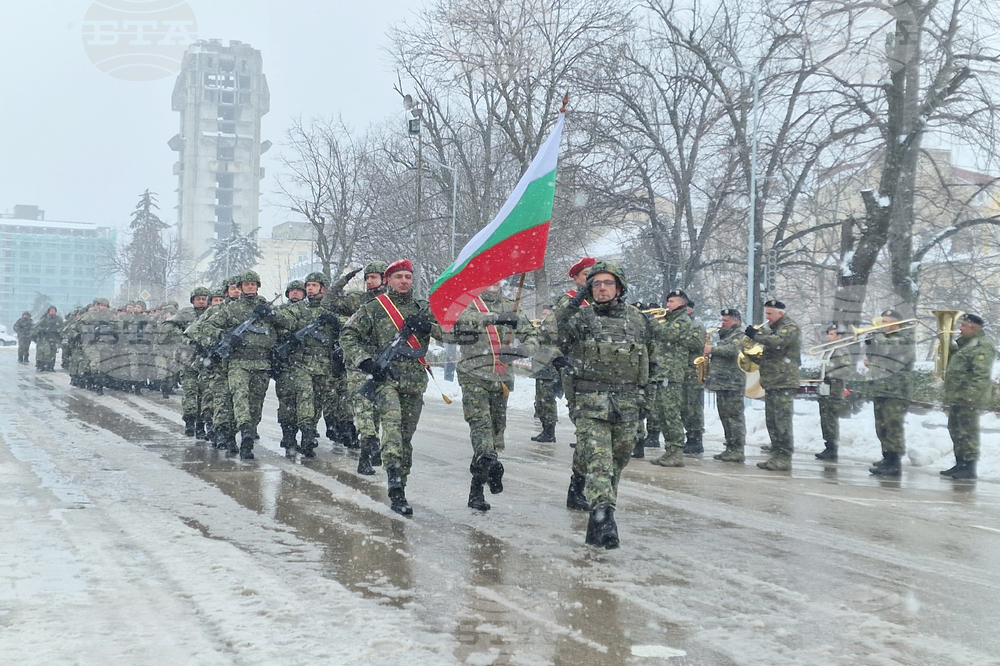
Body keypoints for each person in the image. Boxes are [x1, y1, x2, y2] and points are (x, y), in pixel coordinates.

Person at [559, 260, 654, 548]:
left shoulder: (639, 320)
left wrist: (645, 406)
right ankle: (605, 516)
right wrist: (577, 299)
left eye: (607, 283)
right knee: (599, 464)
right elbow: (556, 330)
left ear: (619, 287)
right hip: (591, 403)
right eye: (596, 283)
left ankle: (596, 523)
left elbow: (653, 362)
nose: (602, 288)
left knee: (617, 462)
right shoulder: (581, 319)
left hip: (627, 404)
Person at [340, 259, 442, 515]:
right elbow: (348, 335)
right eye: (399, 277)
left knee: (405, 437)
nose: (404, 281)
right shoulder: (375, 308)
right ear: (388, 281)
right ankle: (395, 483)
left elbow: (449, 333)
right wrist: (365, 361)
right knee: (393, 431)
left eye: (408, 276)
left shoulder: (423, 309)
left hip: (415, 381)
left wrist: (428, 326)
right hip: (386, 379)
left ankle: (401, 481)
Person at [453, 281, 538, 511]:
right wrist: (494, 318)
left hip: (501, 379)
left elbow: (532, 335)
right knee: (481, 427)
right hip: (473, 376)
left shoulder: (513, 306)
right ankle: (488, 470)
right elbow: (458, 321)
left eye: (498, 279)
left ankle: (477, 485)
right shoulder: (468, 303)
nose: (493, 284)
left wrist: (521, 351)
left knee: (495, 433)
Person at [200, 270, 278, 459]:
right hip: (238, 362)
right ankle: (244, 431)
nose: (250, 287)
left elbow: (287, 324)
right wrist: (224, 336)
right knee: (239, 396)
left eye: (253, 284)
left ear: (257, 286)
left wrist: (272, 314)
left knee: (256, 402)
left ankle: (248, 435)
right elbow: (205, 326)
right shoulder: (231, 309)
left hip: (262, 362)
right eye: (246, 284)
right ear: (241, 287)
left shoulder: (265, 307)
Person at [274, 274, 341, 458]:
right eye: (308, 285)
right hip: (299, 363)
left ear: (323, 288)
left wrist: (336, 323)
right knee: (302, 397)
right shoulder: (299, 308)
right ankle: (303, 432)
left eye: (314, 285)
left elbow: (350, 326)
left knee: (317, 401)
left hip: (323, 364)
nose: (310, 288)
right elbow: (283, 318)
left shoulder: (329, 309)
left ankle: (306, 440)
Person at [323, 261, 387, 449]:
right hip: (360, 360)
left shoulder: (392, 303)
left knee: (378, 409)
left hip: (384, 360)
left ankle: (373, 441)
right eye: (367, 277)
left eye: (373, 277)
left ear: (385, 279)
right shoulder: (359, 300)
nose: (369, 281)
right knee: (361, 403)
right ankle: (367, 442)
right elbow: (328, 302)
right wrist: (344, 280)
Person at [550, 257, 595, 510]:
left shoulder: (604, 301)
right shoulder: (569, 301)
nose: (592, 280)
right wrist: (558, 358)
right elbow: (553, 330)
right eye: (586, 275)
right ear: (577, 279)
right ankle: (578, 488)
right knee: (588, 434)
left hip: (605, 375)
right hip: (577, 373)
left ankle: (595, 488)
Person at [745, 299, 801, 471]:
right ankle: (776, 455)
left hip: (784, 381)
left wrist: (756, 336)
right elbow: (768, 354)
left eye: (770, 314)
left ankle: (784, 457)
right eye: (766, 313)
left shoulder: (790, 327)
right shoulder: (773, 330)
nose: (767, 317)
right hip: (773, 381)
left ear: (780, 314)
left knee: (782, 421)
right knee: (772, 420)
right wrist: (751, 354)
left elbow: (777, 342)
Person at [940, 313, 995, 480]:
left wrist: (969, 396)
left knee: (967, 432)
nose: (959, 328)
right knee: (956, 430)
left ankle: (968, 467)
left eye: (963, 325)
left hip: (969, 398)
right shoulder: (965, 345)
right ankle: (960, 463)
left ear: (973, 328)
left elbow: (980, 375)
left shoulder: (982, 346)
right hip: (958, 396)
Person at [648, 290, 699, 467]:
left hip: (672, 373)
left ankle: (676, 451)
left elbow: (669, 335)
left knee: (671, 413)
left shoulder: (682, 320)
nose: (667, 305)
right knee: (661, 413)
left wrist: (656, 322)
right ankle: (669, 450)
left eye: (670, 301)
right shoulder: (671, 318)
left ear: (680, 303)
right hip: (662, 371)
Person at [866, 309, 915, 477]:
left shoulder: (905, 338)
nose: (882, 325)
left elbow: (887, 349)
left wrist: (875, 335)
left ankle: (895, 463)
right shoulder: (884, 338)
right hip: (881, 387)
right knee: (882, 425)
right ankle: (887, 457)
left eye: (885, 322)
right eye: (882, 322)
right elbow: (875, 357)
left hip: (896, 389)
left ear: (896, 323)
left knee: (892, 425)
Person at [168, 288, 212, 435]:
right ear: (193, 300)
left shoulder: (213, 314)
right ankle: (189, 421)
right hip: (188, 360)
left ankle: (202, 423)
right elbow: (168, 327)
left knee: (206, 393)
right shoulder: (185, 314)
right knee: (190, 392)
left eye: (204, 298)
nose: (201, 301)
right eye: (198, 298)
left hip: (207, 360)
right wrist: (185, 340)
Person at [705, 308, 747, 462]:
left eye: (726, 320)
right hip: (723, 382)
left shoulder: (741, 333)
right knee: (725, 416)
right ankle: (730, 447)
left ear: (735, 320)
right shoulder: (727, 334)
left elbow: (734, 349)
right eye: (722, 320)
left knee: (734, 416)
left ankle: (737, 449)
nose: (723, 323)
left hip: (733, 382)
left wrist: (713, 349)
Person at [815, 324, 853, 461]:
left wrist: (832, 375)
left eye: (832, 334)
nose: (828, 337)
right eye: (828, 334)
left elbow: (847, 370)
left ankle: (833, 448)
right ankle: (828, 445)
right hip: (825, 389)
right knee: (825, 418)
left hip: (835, 389)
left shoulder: (841, 351)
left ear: (839, 336)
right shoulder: (828, 349)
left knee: (831, 418)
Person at [530, 304, 561, 443]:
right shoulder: (542, 327)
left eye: (546, 314)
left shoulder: (552, 328)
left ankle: (550, 431)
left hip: (549, 371)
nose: (544, 316)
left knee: (547, 401)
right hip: (540, 370)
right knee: (540, 401)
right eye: (543, 314)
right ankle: (545, 430)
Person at [682, 299, 707, 454]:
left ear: (688, 310)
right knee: (684, 408)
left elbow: (696, 343)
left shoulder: (696, 325)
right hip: (681, 372)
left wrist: (677, 335)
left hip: (693, 373)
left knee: (694, 408)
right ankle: (689, 436)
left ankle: (696, 438)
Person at [32, 306, 63, 371]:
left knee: (52, 353)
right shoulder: (44, 319)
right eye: (51, 311)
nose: (52, 312)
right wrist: (41, 331)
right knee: (43, 352)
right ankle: (40, 366)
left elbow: (62, 328)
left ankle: (50, 366)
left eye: (53, 310)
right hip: (44, 338)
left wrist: (60, 336)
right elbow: (35, 328)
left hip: (54, 338)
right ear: (48, 311)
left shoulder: (59, 319)